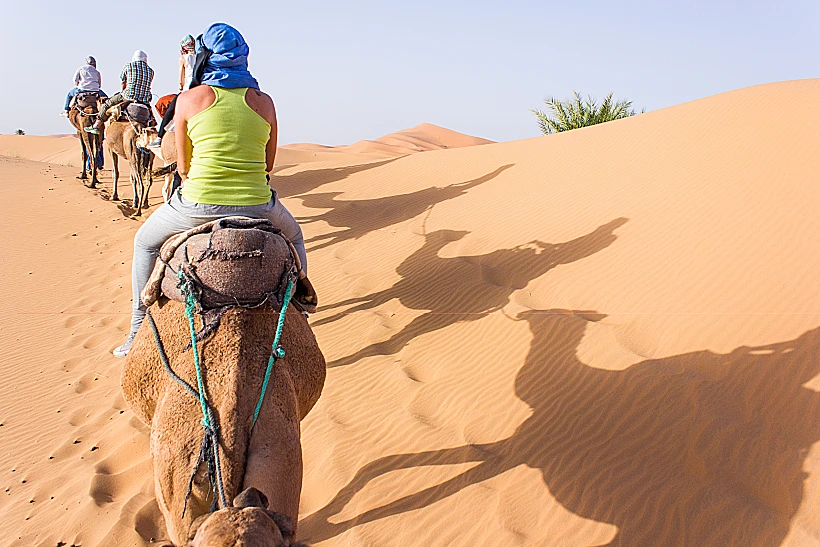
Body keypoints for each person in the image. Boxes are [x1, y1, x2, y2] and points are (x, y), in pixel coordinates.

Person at [112, 23, 307, 357]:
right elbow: (269, 165)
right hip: (259, 205)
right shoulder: (266, 102)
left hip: (198, 205)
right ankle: (301, 314)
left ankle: (136, 329)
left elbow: (184, 169)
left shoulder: (188, 99)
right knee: (297, 237)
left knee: (144, 242)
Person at [148, 35, 196, 149]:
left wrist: (181, 87)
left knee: (169, 112)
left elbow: (181, 80)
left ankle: (159, 137)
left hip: (187, 90)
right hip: (199, 89)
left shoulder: (183, 59)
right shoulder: (200, 57)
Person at [89, 50, 154, 133]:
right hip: (144, 99)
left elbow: (123, 81)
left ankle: (96, 125)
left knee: (107, 104)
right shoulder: (151, 71)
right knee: (151, 115)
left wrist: (123, 91)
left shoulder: (129, 66)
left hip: (128, 95)